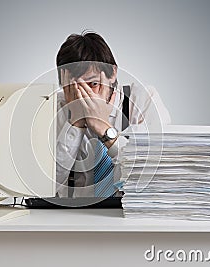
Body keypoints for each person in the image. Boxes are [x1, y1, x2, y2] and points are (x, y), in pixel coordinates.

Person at [55, 31, 171, 197]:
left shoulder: (143, 101)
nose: (83, 96)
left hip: (131, 214)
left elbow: (155, 178)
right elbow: (42, 186)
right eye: (73, 89)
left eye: (93, 84)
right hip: (72, 216)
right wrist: (75, 124)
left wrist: (104, 128)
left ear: (113, 73)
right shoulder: (55, 107)